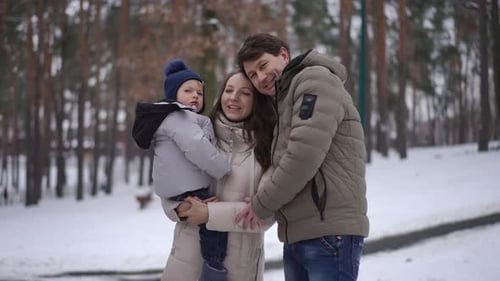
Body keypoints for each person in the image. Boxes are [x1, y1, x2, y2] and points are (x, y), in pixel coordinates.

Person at [235, 33, 369, 281]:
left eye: (263, 66)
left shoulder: (314, 80)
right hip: (301, 234)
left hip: (328, 234)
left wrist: (260, 205)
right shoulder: (284, 99)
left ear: (284, 55)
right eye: (253, 75)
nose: (260, 78)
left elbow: (302, 158)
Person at [160, 71, 275, 281]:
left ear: (257, 100)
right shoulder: (194, 135)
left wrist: (208, 214)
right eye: (229, 90)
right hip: (186, 263)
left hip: (240, 268)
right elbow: (168, 183)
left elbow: (265, 216)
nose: (233, 98)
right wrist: (177, 208)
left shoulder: (269, 148)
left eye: (245, 93)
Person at [132, 58, 232, 280]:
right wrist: (223, 169)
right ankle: (214, 267)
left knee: (207, 223)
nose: (195, 96)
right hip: (189, 187)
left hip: (180, 186)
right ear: (172, 95)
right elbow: (197, 148)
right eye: (188, 90)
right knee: (213, 226)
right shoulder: (178, 116)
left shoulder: (172, 118)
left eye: (199, 92)